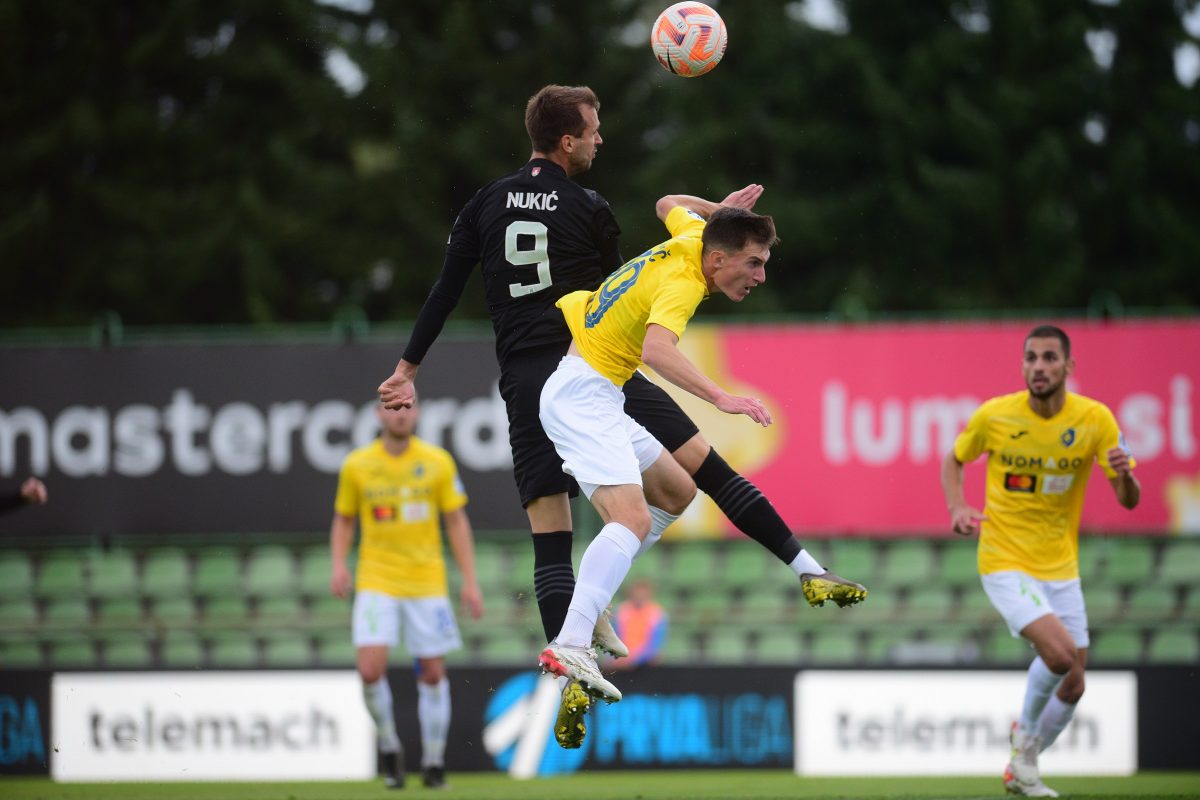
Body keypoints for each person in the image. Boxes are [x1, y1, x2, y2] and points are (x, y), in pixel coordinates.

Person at [378, 84, 866, 747]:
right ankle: (578, 645)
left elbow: (446, 287)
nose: (602, 138)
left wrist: (408, 368)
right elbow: (624, 290)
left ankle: (577, 662)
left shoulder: (485, 203)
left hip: (533, 376)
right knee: (701, 475)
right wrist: (720, 394)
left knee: (599, 519)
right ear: (569, 140)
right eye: (595, 128)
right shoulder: (591, 208)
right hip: (593, 367)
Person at [535, 190, 839, 703]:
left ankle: (593, 600)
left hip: (597, 392)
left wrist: (719, 213)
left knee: (676, 491)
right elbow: (656, 349)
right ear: (718, 260)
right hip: (582, 394)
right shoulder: (683, 278)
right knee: (628, 519)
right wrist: (721, 396)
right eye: (754, 262)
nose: (761, 276)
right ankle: (570, 642)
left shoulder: (693, 236)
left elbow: (664, 201)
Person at [940, 324, 1139, 798]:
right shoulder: (996, 416)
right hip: (1004, 558)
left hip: (1061, 566)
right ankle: (1025, 739)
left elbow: (1128, 499)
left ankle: (1021, 767)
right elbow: (954, 458)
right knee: (1060, 654)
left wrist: (1127, 474)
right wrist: (957, 507)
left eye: (1049, 358)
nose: (1039, 367)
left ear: (1068, 367)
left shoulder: (1095, 420)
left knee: (1073, 686)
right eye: (1031, 358)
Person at [330, 397, 484, 790]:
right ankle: (389, 744)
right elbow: (344, 520)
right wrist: (338, 565)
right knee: (369, 670)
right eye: (392, 407)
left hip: (426, 584)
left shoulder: (437, 461)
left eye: (407, 407)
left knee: (432, 673)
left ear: (416, 414)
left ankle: (433, 761)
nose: (400, 414)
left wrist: (469, 581)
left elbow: (457, 521)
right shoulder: (357, 465)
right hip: (376, 580)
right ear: (378, 414)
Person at [607, 579, 668, 670]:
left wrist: (633, 659)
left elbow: (655, 645)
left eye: (643, 593)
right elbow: (612, 637)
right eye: (637, 592)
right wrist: (614, 657)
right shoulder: (621, 611)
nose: (640, 595)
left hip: (645, 663)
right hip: (621, 661)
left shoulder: (657, 613)